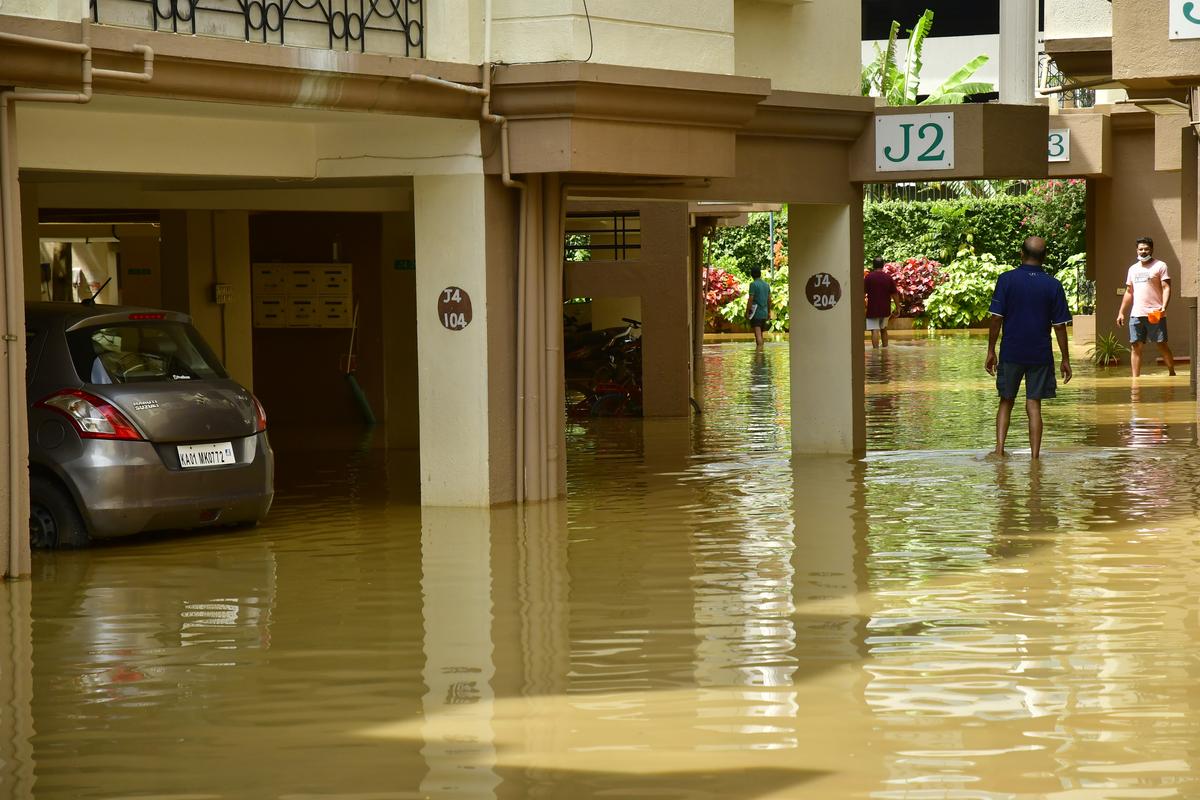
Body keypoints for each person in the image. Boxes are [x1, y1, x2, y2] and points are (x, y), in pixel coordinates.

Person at [984, 236, 1072, 459]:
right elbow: (1059, 326)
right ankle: (1034, 459)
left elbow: (996, 318)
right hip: (1040, 353)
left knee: (1006, 400)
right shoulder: (1053, 285)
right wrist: (1065, 359)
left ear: (1021, 254)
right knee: (1034, 404)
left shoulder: (1006, 280)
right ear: (1045, 257)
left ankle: (999, 451)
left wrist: (991, 350)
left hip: (1011, 351)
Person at [1116, 236, 1176, 377]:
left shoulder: (1160, 266)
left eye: (1146, 249)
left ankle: (1171, 372)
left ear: (1152, 249)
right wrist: (1121, 312)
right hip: (1136, 314)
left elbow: (1166, 287)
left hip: (1155, 313)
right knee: (1135, 346)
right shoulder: (1132, 269)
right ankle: (1135, 379)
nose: (1143, 252)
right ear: (1137, 250)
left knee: (1161, 344)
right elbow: (1129, 291)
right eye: (1141, 249)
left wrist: (1164, 307)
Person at [864, 257, 900, 348]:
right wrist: (898, 307)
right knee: (884, 329)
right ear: (883, 265)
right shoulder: (888, 277)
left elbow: (862, 293)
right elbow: (894, 294)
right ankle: (885, 350)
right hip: (885, 308)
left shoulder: (868, 278)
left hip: (872, 308)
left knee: (874, 330)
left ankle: (875, 351)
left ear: (873, 265)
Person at [746, 266, 771, 350]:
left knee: (758, 335)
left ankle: (759, 353)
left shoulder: (753, 284)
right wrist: (769, 312)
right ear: (760, 274)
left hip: (756, 313)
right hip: (764, 313)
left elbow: (750, 299)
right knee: (761, 335)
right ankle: (761, 353)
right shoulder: (766, 285)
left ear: (752, 275)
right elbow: (769, 300)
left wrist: (747, 312)